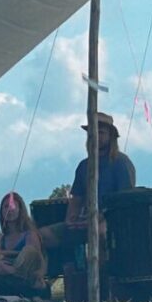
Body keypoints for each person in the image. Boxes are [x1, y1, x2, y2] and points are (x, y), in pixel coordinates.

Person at [38, 113, 135, 281]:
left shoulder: (121, 163)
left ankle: (103, 279)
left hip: (112, 223)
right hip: (85, 220)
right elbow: (76, 199)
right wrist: (71, 219)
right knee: (41, 236)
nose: (96, 137)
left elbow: (125, 203)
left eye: (101, 132)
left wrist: (102, 218)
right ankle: (51, 277)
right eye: (92, 133)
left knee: (99, 233)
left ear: (111, 136)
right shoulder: (84, 166)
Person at [0, 192, 48, 298]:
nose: (9, 210)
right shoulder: (2, 238)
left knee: (28, 251)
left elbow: (33, 257)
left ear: (20, 210)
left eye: (12, 206)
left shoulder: (30, 234)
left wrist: (7, 256)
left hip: (26, 274)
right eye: (6, 207)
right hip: (7, 274)